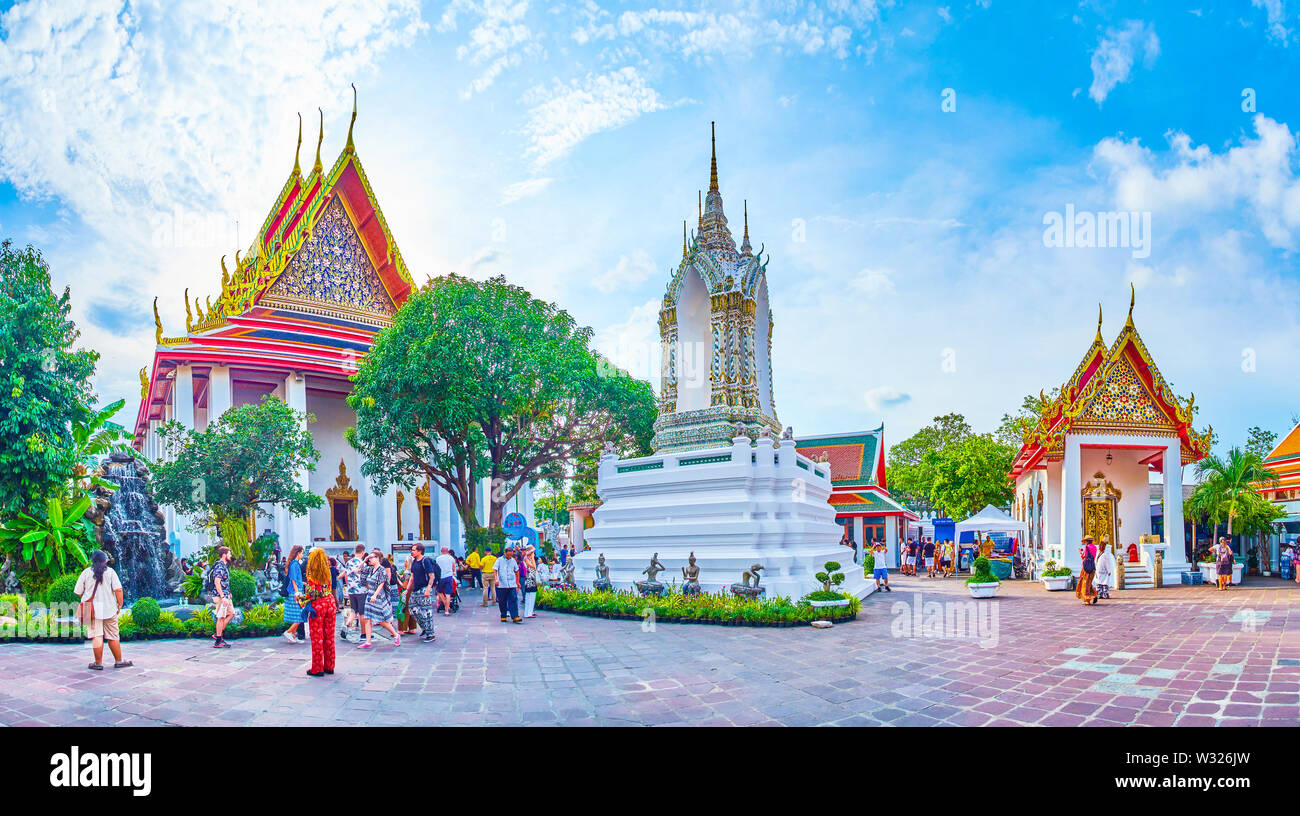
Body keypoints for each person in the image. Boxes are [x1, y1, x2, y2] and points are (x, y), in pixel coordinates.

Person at [75, 549, 132, 670]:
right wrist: (120, 604)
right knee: (113, 636)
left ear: (93, 560)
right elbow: (118, 590)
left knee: (97, 636)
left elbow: (78, 593)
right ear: (105, 561)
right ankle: (119, 661)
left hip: (91, 610)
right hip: (109, 609)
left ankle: (98, 663)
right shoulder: (110, 572)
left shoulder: (86, 573)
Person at [299, 548, 337, 677]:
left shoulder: (312, 573)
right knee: (329, 637)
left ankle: (317, 668)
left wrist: (300, 599)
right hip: (330, 603)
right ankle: (329, 666)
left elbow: (312, 593)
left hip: (318, 605)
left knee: (317, 638)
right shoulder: (327, 571)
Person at [360, 549, 401, 648]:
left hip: (378, 596)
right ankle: (368, 641)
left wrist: (375, 595)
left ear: (377, 558)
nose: (370, 560)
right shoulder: (369, 569)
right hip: (370, 595)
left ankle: (396, 635)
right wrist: (365, 560)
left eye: (371, 558)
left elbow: (381, 584)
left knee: (381, 620)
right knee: (367, 619)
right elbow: (358, 569)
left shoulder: (381, 569)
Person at [407, 543, 439, 643]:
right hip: (415, 590)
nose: (412, 551)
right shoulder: (414, 561)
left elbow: (431, 576)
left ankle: (430, 633)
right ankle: (425, 628)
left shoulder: (425, 561)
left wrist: (428, 589)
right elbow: (412, 577)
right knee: (413, 610)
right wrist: (407, 590)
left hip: (424, 588)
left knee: (426, 612)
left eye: (414, 550)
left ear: (419, 551)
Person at [210, 546, 236, 648]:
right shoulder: (220, 566)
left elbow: (224, 582)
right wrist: (223, 596)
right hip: (221, 596)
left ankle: (217, 635)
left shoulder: (224, 566)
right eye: (229, 554)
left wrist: (228, 593)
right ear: (224, 555)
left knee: (231, 614)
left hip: (225, 595)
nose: (231, 556)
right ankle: (218, 640)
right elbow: (217, 582)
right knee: (221, 617)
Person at [282, 545, 307, 644]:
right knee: (301, 614)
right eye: (301, 553)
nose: (302, 555)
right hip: (295, 592)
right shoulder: (294, 564)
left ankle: (293, 635)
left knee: (297, 614)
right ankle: (288, 632)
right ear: (298, 553)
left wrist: (302, 583)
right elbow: (293, 579)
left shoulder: (294, 563)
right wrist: (297, 591)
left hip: (297, 589)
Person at [341, 543, 367, 638]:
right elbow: (364, 578)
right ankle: (364, 633)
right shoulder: (362, 563)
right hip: (361, 590)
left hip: (351, 590)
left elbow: (346, 576)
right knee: (362, 612)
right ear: (363, 552)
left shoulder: (348, 562)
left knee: (353, 611)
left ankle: (346, 625)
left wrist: (349, 586)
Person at [495, 546, 522, 623]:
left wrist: (517, 582)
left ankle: (515, 616)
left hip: (512, 584)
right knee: (502, 601)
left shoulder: (513, 560)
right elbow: (495, 570)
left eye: (511, 555)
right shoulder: (499, 560)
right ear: (505, 553)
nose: (509, 557)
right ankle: (503, 615)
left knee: (513, 600)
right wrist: (496, 579)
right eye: (508, 555)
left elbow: (517, 571)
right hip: (502, 584)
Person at [397, 556, 417, 635]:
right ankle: (412, 628)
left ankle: (401, 629)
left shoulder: (406, 573)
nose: (404, 563)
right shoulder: (413, 572)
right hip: (413, 592)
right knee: (411, 610)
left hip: (405, 592)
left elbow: (404, 585)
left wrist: (398, 580)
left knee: (402, 610)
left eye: (405, 561)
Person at [1076, 535, 1099, 605]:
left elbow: (1083, 556)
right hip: (1092, 566)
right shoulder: (1095, 547)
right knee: (1088, 582)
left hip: (1086, 567)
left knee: (1085, 583)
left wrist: (1080, 552)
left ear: (1087, 541)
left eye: (1085, 541)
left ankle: (1087, 599)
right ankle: (1094, 594)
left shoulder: (1087, 547)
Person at [435, 546, 457, 616]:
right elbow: (453, 568)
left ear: (441, 551)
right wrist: (453, 572)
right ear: (447, 551)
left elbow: (436, 568)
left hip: (441, 577)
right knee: (448, 594)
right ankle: (447, 610)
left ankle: (445, 604)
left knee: (439, 591)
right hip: (449, 577)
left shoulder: (438, 559)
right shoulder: (451, 558)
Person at [521, 545, 539, 618]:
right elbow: (534, 566)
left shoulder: (527, 558)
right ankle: (528, 613)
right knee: (530, 596)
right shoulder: (526, 559)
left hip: (531, 579)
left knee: (531, 596)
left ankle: (529, 612)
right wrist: (532, 558)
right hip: (529, 579)